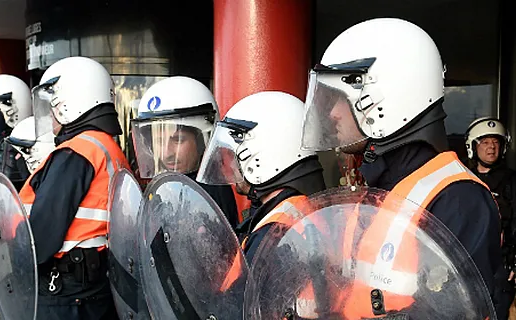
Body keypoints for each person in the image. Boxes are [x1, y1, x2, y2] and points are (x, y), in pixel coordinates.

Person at [299, 17, 505, 318]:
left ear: (389, 98)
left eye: (340, 99)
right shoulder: (381, 186)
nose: (331, 113)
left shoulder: (458, 200)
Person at [20, 56, 128, 319]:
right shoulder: (108, 148)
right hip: (94, 285)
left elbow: (43, 234)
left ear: (68, 104)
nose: (49, 118)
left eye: (51, 107)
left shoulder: (76, 153)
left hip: (65, 293)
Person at [195, 91, 326, 262]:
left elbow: (241, 288)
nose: (230, 166)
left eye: (234, 156)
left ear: (261, 156)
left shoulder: (273, 236)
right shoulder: (294, 211)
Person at [131, 76, 240, 228]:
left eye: (178, 140)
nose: (166, 153)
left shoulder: (210, 196)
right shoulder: (167, 187)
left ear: (203, 142)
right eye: (159, 141)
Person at [466, 117, 516, 312]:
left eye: (496, 142)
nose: (491, 148)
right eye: (485, 142)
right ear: (473, 145)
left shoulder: (511, 181)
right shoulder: (463, 178)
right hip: (468, 264)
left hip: (501, 268)